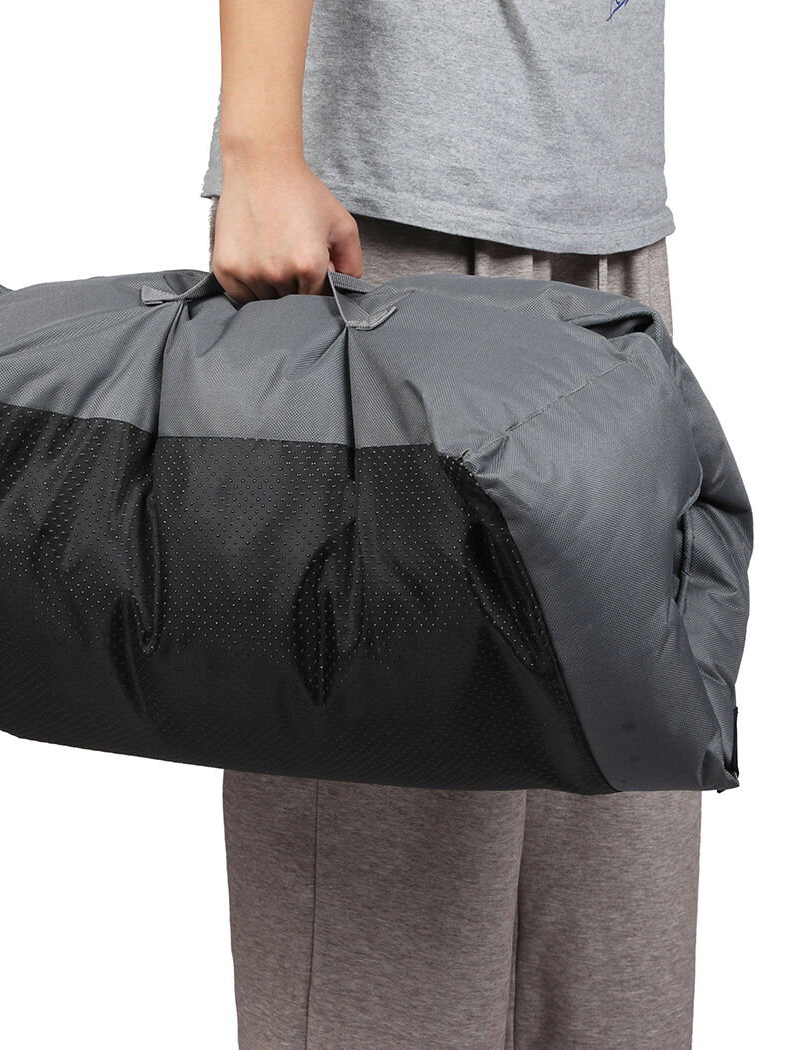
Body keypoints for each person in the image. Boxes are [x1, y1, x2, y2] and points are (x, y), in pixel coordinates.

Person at [201, 2, 697, 1048]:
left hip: (608, 232)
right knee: (393, 962)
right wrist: (258, 148)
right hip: (389, 224)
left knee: (612, 960)